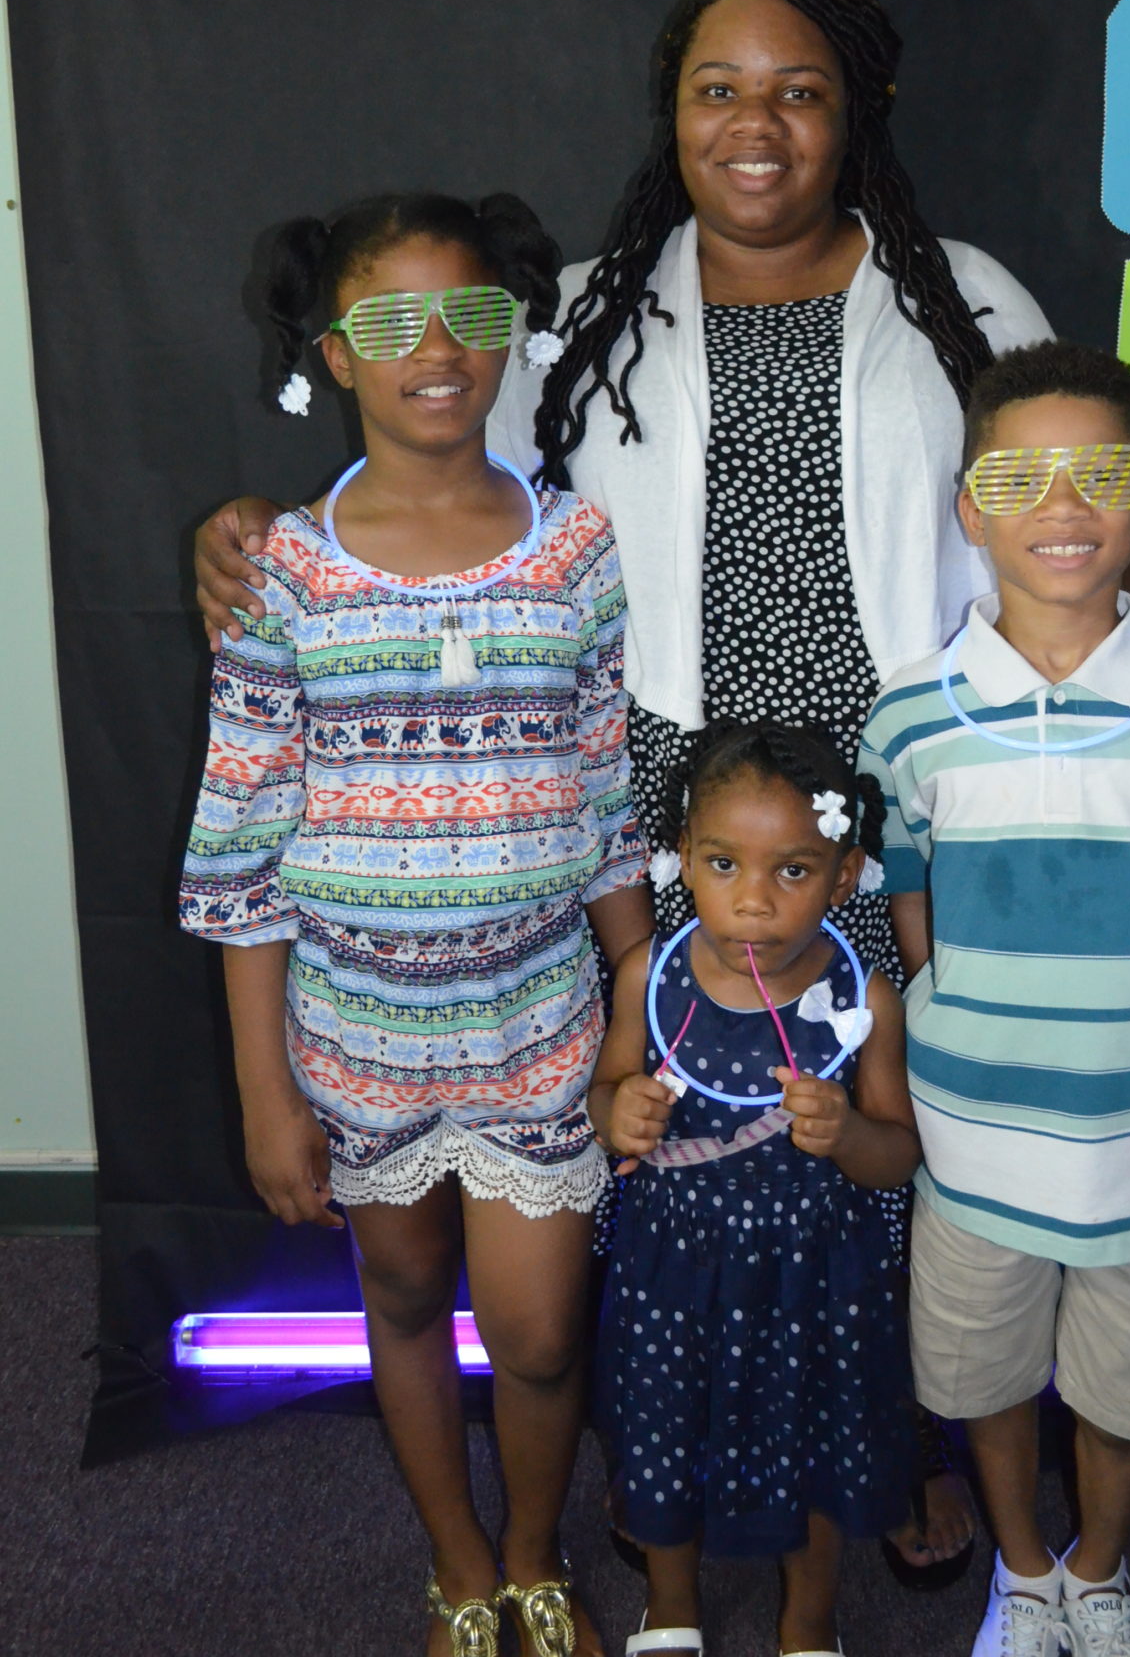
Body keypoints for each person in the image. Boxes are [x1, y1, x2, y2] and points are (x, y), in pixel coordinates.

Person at [192, 0, 1130, 1573]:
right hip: (660, 794)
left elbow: (1062, 493)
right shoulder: (575, 317)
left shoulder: (962, 297)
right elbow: (427, 472)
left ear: (856, 118)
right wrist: (248, 528)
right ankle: (685, 1456)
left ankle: (896, 1440)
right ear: (672, 113)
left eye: (799, 90)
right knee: (670, 1143)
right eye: (718, 88)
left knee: (882, 1124)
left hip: (892, 784)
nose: (755, 121)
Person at [180, 191, 652, 1657]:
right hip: (358, 1037)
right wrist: (268, 1094)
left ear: (514, 334)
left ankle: (533, 1547)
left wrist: (635, 981)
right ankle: (456, 1554)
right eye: (389, 323)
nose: (434, 350)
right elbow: (242, 848)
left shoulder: (574, 547)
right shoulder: (283, 574)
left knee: (539, 1329)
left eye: (470, 316)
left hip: (539, 1024)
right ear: (333, 354)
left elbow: (606, 792)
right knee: (398, 1291)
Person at [858, 340, 1130, 1657]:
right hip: (976, 1148)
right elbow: (914, 902)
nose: (1064, 505)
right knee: (983, 1376)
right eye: (1024, 476)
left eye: (1101, 474)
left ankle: (1101, 1572)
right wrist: (969, 1021)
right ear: (971, 506)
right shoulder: (912, 718)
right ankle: (1027, 1571)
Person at [588, 721, 921, 1657]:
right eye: (725, 864)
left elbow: (898, 1154)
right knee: (665, 1437)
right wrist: (618, 1114)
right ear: (682, 860)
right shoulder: (646, 977)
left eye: (794, 872)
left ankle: (809, 1621)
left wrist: (847, 1133)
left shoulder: (866, 1003)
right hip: (676, 1274)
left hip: (813, 1279)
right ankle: (673, 1608)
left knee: (812, 1444)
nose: (754, 905)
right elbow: (604, 1091)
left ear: (846, 875)